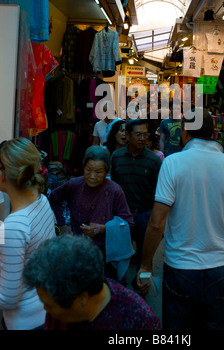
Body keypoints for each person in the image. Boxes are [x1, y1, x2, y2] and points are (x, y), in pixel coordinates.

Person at [137, 109, 224, 330]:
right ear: (214, 132)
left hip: (181, 268)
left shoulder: (173, 163)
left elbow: (157, 223)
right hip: (221, 268)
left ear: (185, 131)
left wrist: (145, 264)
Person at [23, 234, 161, 330]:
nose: (45, 310)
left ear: (82, 297)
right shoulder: (59, 310)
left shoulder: (139, 321)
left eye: (49, 305)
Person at [49, 145, 134, 280]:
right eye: (88, 170)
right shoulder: (74, 184)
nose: (92, 176)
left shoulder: (115, 191)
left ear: (107, 172)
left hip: (104, 254)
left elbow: (128, 223)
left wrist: (103, 228)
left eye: (98, 172)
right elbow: (54, 199)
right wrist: (64, 225)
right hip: (77, 250)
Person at [0, 137, 56, 330]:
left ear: (3, 175)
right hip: (44, 310)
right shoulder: (41, 201)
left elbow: (8, 299)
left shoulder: (15, 225)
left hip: (25, 320)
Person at [111, 119, 162, 273]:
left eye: (145, 135)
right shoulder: (117, 157)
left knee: (144, 258)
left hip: (145, 215)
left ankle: (141, 289)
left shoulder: (153, 161)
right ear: (127, 135)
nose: (142, 138)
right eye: (138, 134)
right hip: (123, 215)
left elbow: (158, 191)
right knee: (119, 256)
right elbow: (115, 186)